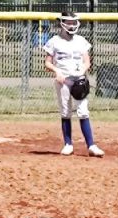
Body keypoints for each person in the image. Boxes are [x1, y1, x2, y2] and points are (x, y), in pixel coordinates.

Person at [42, 12, 104, 157]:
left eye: (73, 22)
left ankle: (91, 145)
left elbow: (87, 61)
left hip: (78, 79)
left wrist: (82, 71)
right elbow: (47, 63)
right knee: (66, 112)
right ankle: (68, 144)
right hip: (63, 80)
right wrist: (57, 71)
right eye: (69, 22)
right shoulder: (54, 41)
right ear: (62, 23)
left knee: (83, 111)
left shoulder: (81, 41)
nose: (72, 25)